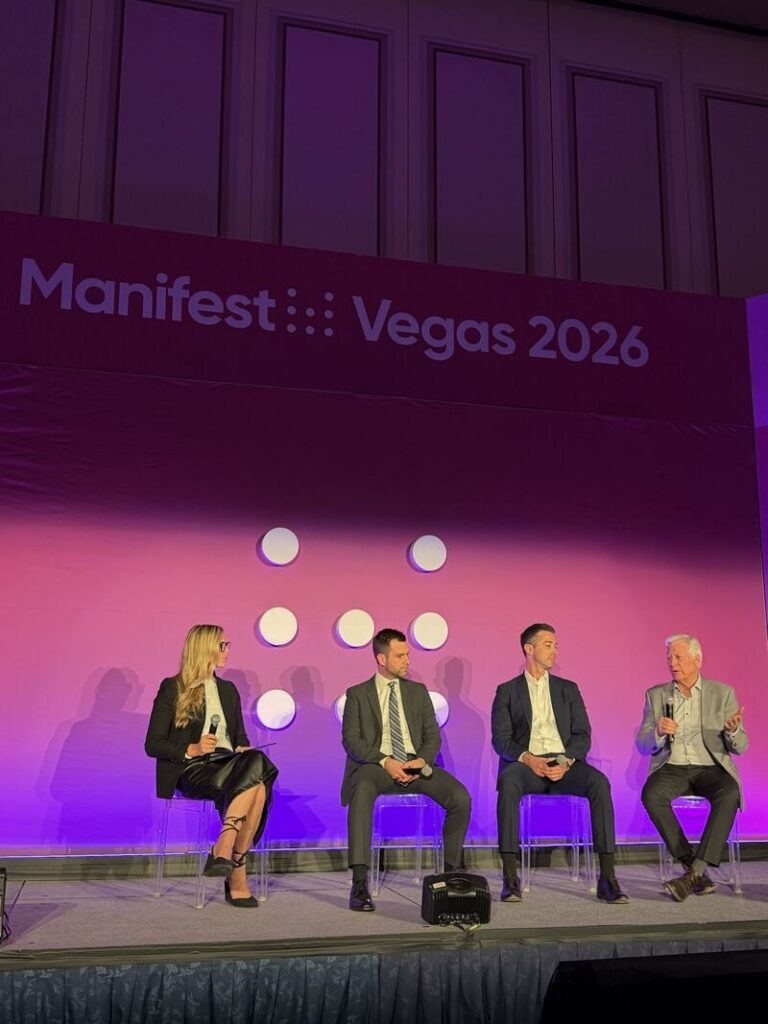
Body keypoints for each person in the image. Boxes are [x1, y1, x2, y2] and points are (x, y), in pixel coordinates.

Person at [492, 623, 628, 904]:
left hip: (564, 762)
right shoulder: (507, 691)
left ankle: (607, 877)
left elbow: (582, 735)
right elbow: (501, 740)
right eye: (548, 644)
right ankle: (510, 876)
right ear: (529, 649)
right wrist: (529, 759)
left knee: (599, 783)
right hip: (528, 763)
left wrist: (565, 761)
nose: (555, 650)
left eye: (555, 644)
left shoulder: (568, 689)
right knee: (508, 780)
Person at [145, 624, 278, 908]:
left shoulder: (229, 690)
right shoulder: (173, 687)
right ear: (204, 648)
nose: (228, 651)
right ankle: (236, 870)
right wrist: (190, 748)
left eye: (227, 645)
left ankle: (225, 845)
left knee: (256, 763)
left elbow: (240, 738)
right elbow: (152, 743)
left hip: (228, 764)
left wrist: (241, 747)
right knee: (257, 781)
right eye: (223, 645)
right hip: (192, 768)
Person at [341, 628, 471, 912]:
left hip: (415, 764)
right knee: (361, 789)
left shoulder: (417, 691)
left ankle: (451, 874)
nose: (407, 660)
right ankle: (360, 883)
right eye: (400, 655)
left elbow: (432, 735)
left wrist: (422, 760)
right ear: (381, 659)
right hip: (377, 765)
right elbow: (351, 742)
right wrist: (386, 761)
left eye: (407, 654)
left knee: (460, 797)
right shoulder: (357, 694)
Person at [637, 633, 747, 901]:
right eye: (669, 658)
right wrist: (659, 733)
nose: (672, 663)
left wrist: (732, 732)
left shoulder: (723, 694)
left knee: (730, 793)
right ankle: (694, 869)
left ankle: (693, 873)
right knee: (651, 795)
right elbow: (642, 744)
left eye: (678, 657)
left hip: (710, 768)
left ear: (697, 660)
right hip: (672, 767)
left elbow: (741, 746)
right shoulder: (656, 695)